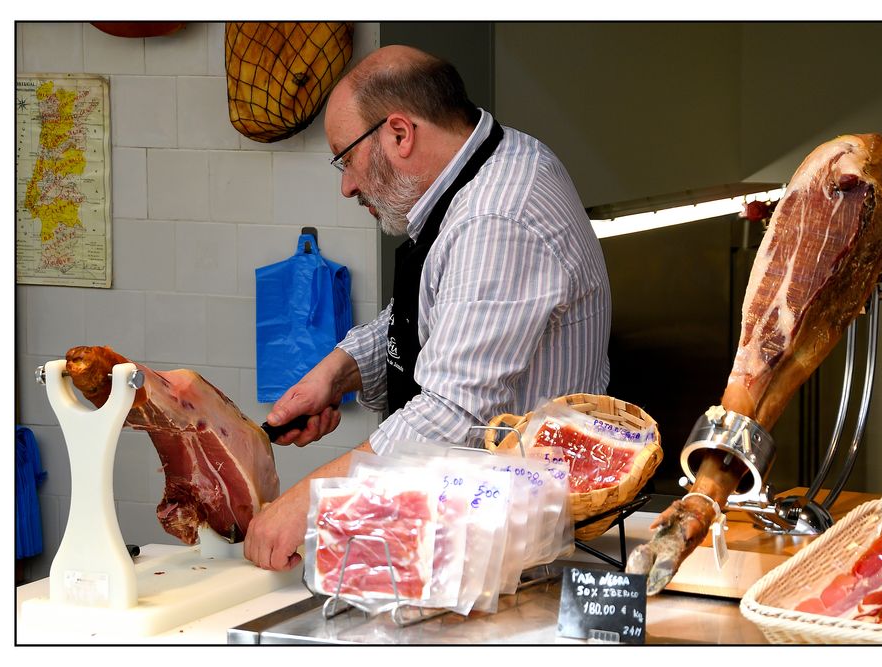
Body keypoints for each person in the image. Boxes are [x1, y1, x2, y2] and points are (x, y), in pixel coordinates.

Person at [243, 45, 612, 571]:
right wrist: (339, 371)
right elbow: (433, 313)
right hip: (479, 524)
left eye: (346, 159)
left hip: (518, 551)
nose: (346, 185)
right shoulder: (486, 163)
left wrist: (305, 503)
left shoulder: (496, 219)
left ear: (399, 133)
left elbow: (454, 412)